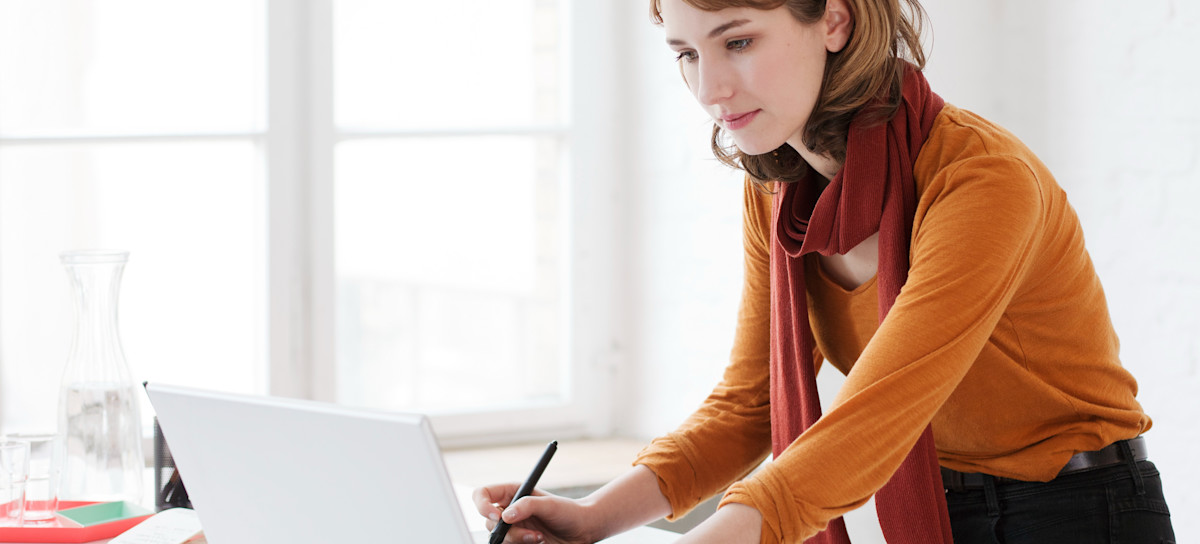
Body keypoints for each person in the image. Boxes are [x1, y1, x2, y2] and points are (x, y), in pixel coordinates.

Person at [473, 0, 1177, 542]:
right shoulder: (778, 192)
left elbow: (877, 414)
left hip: (1082, 511)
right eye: (685, 53)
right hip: (946, 504)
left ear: (834, 19)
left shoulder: (982, 181)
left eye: (739, 41)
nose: (710, 89)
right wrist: (594, 517)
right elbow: (750, 405)